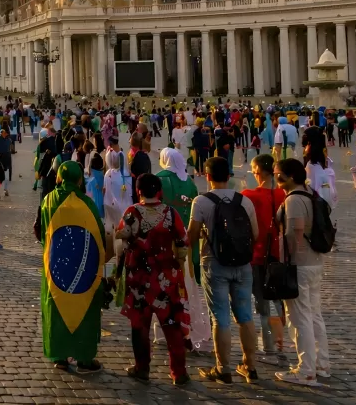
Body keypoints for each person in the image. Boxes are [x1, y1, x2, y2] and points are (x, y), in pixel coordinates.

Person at [188, 156, 260, 384]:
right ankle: (250, 366)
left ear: (207, 176)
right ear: (229, 176)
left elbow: (191, 236)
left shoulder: (201, 201)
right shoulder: (244, 201)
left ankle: (223, 368)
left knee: (220, 318)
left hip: (215, 263)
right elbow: (255, 234)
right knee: (245, 316)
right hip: (242, 264)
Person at [117, 173, 190, 385]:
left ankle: (142, 368)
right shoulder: (170, 213)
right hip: (166, 278)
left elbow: (121, 239)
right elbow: (182, 242)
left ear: (138, 191)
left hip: (139, 278)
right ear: (159, 191)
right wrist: (178, 265)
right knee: (171, 325)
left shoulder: (131, 213)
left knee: (140, 325)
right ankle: (179, 372)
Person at [36, 161, 109, 374]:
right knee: (84, 309)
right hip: (83, 268)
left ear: (59, 177)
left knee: (57, 308)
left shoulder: (49, 200)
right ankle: (84, 358)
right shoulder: (87, 204)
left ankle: (60, 356)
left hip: (56, 267)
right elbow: (99, 235)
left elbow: (42, 231)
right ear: (79, 180)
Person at [273, 157, 329, 386]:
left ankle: (306, 371)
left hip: (299, 264)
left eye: (278, 174)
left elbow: (294, 233)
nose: (276, 177)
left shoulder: (294, 199)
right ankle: (321, 364)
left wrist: (286, 261)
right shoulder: (309, 194)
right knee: (314, 315)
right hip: (314, 262)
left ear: (290, 177)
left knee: (300, 318)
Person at [242, 153, 287, 363]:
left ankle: (269, 348)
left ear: (258, 171)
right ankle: (280, 343)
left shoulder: (249, 195)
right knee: (279, 301)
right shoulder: (283, 194)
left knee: (262, 304)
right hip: (280, 254)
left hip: (258, 254)